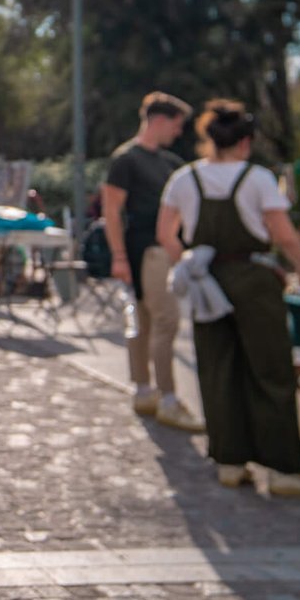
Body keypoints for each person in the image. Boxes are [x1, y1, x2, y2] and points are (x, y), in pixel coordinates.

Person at [156, 99, 300, 497]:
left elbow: (166, 232)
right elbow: (282, 234)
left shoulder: (184, 178)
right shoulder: (258, 178)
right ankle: (284, 470)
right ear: (246, 142)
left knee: (218, 370)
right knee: (270, 371)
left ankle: (230, 462)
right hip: (252, 280)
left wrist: (188, 260)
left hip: (206, 280)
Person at [103, 92, 203, 432]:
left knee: (147, 321)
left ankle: (146, 391)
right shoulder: (126, 160)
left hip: (159, 251)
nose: (178, 132)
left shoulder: (170, 163)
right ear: (158, 121)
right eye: (176, 125)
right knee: (162, 320)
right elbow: (111, 211)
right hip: (144, 251)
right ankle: (166, 396)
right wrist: (118, 256)